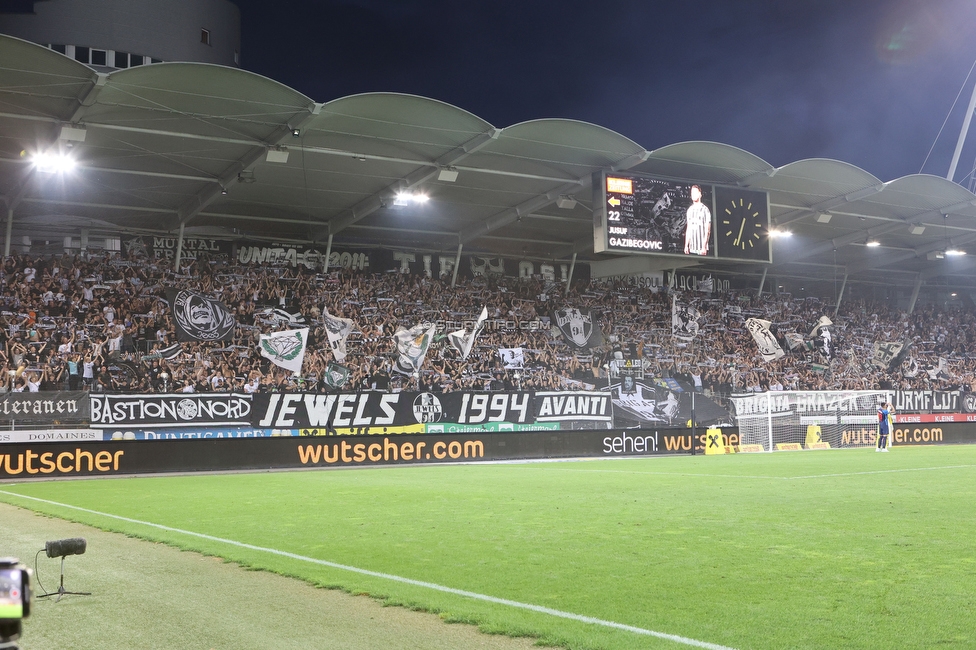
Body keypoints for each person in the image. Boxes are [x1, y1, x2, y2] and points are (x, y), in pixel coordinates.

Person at [684, 184, 711, 256]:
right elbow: (688, 229)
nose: (693, 195)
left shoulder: (705, 210)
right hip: (692, 248)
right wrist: (686, 245)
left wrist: (704, 247)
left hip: (702, 249)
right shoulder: (690, 210)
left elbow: (707, 230)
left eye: (695, 192)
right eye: (692, 193)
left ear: (700, 194)